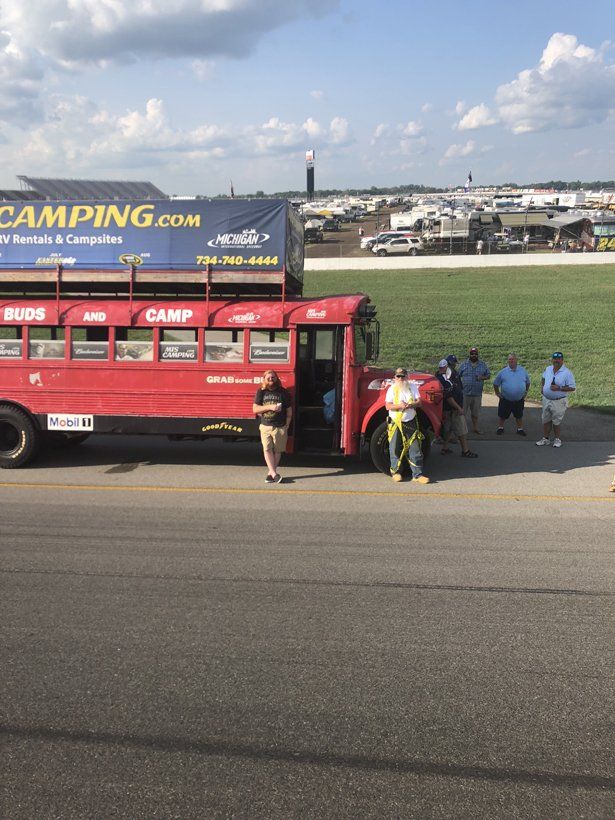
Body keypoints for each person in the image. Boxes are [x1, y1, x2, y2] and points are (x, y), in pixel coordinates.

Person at [385, 367, 430, 483]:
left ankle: (417, 475)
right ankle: (396, 472)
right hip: (396, 422)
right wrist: (400, 406)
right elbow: (388, 406)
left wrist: (410, 405)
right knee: (394, 447)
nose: (400, 378)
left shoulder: (412, 387)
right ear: (395, 378)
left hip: (411, 421)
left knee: (415, 448)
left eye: (402, 376)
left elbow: (419, 402)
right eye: (398, 376)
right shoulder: (391, 389)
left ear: (406, 377)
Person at [252, 370, 292, 483]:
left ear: (277, 378)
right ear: (264, 379)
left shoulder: (283, 393)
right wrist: (270, 407)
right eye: (268, 378)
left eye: (273, 377)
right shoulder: (261, 391)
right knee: (267, 449)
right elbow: (255, 409)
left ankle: (271, 473)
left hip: (280, 426)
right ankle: (274, 474)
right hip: (266, 425)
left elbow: (289, 410)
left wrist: (287, 425)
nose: (271, 379)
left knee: (278, 451)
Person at [436, 356, 478, 458]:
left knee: (450, 428)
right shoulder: (443, 379)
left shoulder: (448, 375)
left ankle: (444, 448)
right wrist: (459, 408)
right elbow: (449, 397)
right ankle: (465, 451)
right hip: (453, 408)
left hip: (451, 408)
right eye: (452, 364)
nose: (454, 365)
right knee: (462, 431)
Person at [535, 352, 576, 448]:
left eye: (558, 359)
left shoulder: (567, 372)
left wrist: (559, 388)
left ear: (562, 360)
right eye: (554, 359)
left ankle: (557, 439)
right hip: (546, 399)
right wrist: (542, 387)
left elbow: (572, 388)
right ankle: (546, 439)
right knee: (545, 420)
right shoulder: (548, 369)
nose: (556, 361)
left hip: (559, 401)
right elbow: (543, 378)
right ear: (552, 360)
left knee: (556, 421)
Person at [493, 353, 530, 436]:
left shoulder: (523, 371)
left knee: (519, 415)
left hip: (519, 399)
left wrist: (526, 392)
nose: (511, 361)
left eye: (513, 359)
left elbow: (528, 382)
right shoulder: (503, 372)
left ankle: (520, 429)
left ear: (516, 360)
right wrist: (497, 393)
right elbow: (495, 384)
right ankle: (500, 428)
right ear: (508, 361)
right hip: (506, 399)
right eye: (509, 359)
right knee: (502, 415)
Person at [459, 347, 491, 434]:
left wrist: (482, 377)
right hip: (465, 393)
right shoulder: (464, 364)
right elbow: (458, 376)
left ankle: (475, 428)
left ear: (478, 354)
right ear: (469, 355)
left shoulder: (483, 364)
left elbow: (488, 375)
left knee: (475, 413)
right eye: (472, 354)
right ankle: (462, 430)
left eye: (475, 354)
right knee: (462, 414)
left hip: (477, 394)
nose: (474, 355)